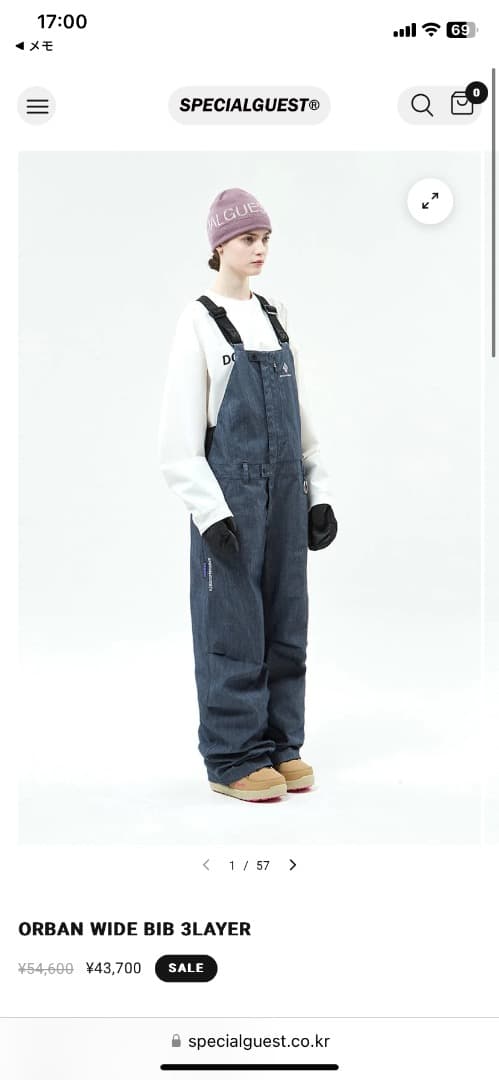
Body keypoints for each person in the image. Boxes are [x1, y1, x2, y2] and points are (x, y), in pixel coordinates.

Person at [158, 187, 337, 802]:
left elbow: (302, 417)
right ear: (219, 246)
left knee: (287, 619)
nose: (259, 249)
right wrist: (209, 512)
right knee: (232, 624)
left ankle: (281, 745)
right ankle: (233, 757)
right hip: (229, 494)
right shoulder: (199, 320)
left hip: (285, 487)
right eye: (246, 239)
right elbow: (178, 439)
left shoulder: (275, 313)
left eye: (264, 238)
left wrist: (318, 492)